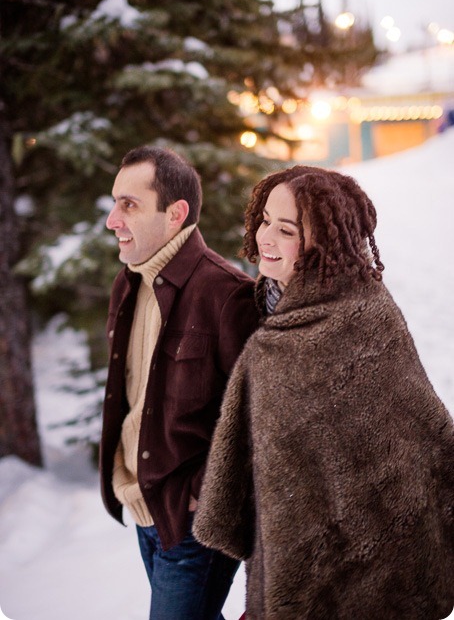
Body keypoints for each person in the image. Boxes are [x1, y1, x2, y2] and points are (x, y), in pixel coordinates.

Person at [194, 165, 454, 620]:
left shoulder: (366, 318)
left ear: (324, 243)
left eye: (286, 228)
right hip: (280, 563)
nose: (264, 236)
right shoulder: (272, 314)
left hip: (373, 584)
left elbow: (421, 439)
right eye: (264, 220)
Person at [99, 145, 259, 620]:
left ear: (176, 214)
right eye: (114, 202)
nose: (112, 219)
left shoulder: (228, 295)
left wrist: (203, 494)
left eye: (129, 204)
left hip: (193, 524)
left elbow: (258, 419)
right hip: (144, 510)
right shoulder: (127, 283)